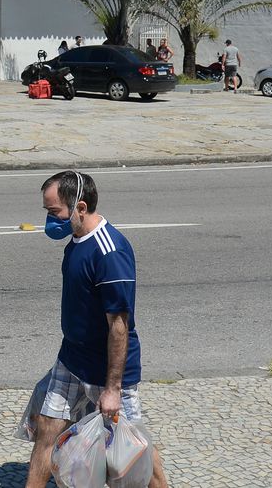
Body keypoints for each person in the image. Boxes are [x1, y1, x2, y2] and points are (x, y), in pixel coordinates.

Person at [20, 171, 167, 488]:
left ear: (80, 207)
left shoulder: (109, 252)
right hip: (72, 359)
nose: (49, 219)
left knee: (133, 451)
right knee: (47, 427)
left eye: (54, 211)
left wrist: (112, 389)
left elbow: (119, 326)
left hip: (109, 371)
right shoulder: (76, 241)